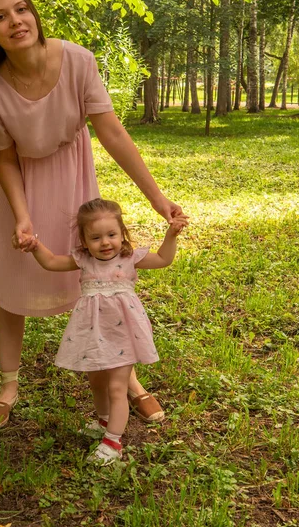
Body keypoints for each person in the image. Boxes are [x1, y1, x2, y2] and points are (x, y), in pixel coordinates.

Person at [0, 0, 188, 431]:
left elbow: (113, 133)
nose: (15, 21)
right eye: (1, 17)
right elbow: (6, 160)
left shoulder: (78, 60)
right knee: (11, 285)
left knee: (100, 283)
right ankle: (8, 386)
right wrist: (22, 217)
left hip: (74, 178)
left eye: (21, 10)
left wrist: (159, 201)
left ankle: (128, 379)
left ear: (35, 16)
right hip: (20, 189)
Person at [26, 198, 186, 464]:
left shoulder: (129, 258)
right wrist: (34, 246)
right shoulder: (84, 260)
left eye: (112, 235)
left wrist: (171, 235)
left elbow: (163, 259)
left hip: (124, 334)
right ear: (84, 240)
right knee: (97, 382)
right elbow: (51, 262)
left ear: (121, 233)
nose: (105, 242)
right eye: (96, 237)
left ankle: (113, 442)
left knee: (116, 386)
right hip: (92, 332)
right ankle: (104, 422)